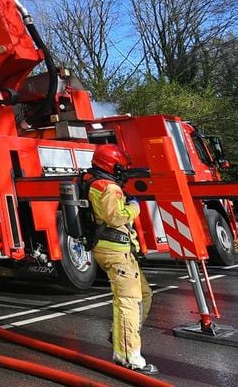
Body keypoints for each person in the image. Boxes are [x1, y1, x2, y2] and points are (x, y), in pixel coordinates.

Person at [82, 143, 156, 374]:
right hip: (115, 251)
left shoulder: (90, 180)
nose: (122, 171)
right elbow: (116, 218)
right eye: (120, 167)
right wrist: (134, 207)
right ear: (110, 165)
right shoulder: (109, 187)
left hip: (114, 250)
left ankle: (121, 335)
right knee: (128, 302)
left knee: (144, 294)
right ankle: (128, 357)